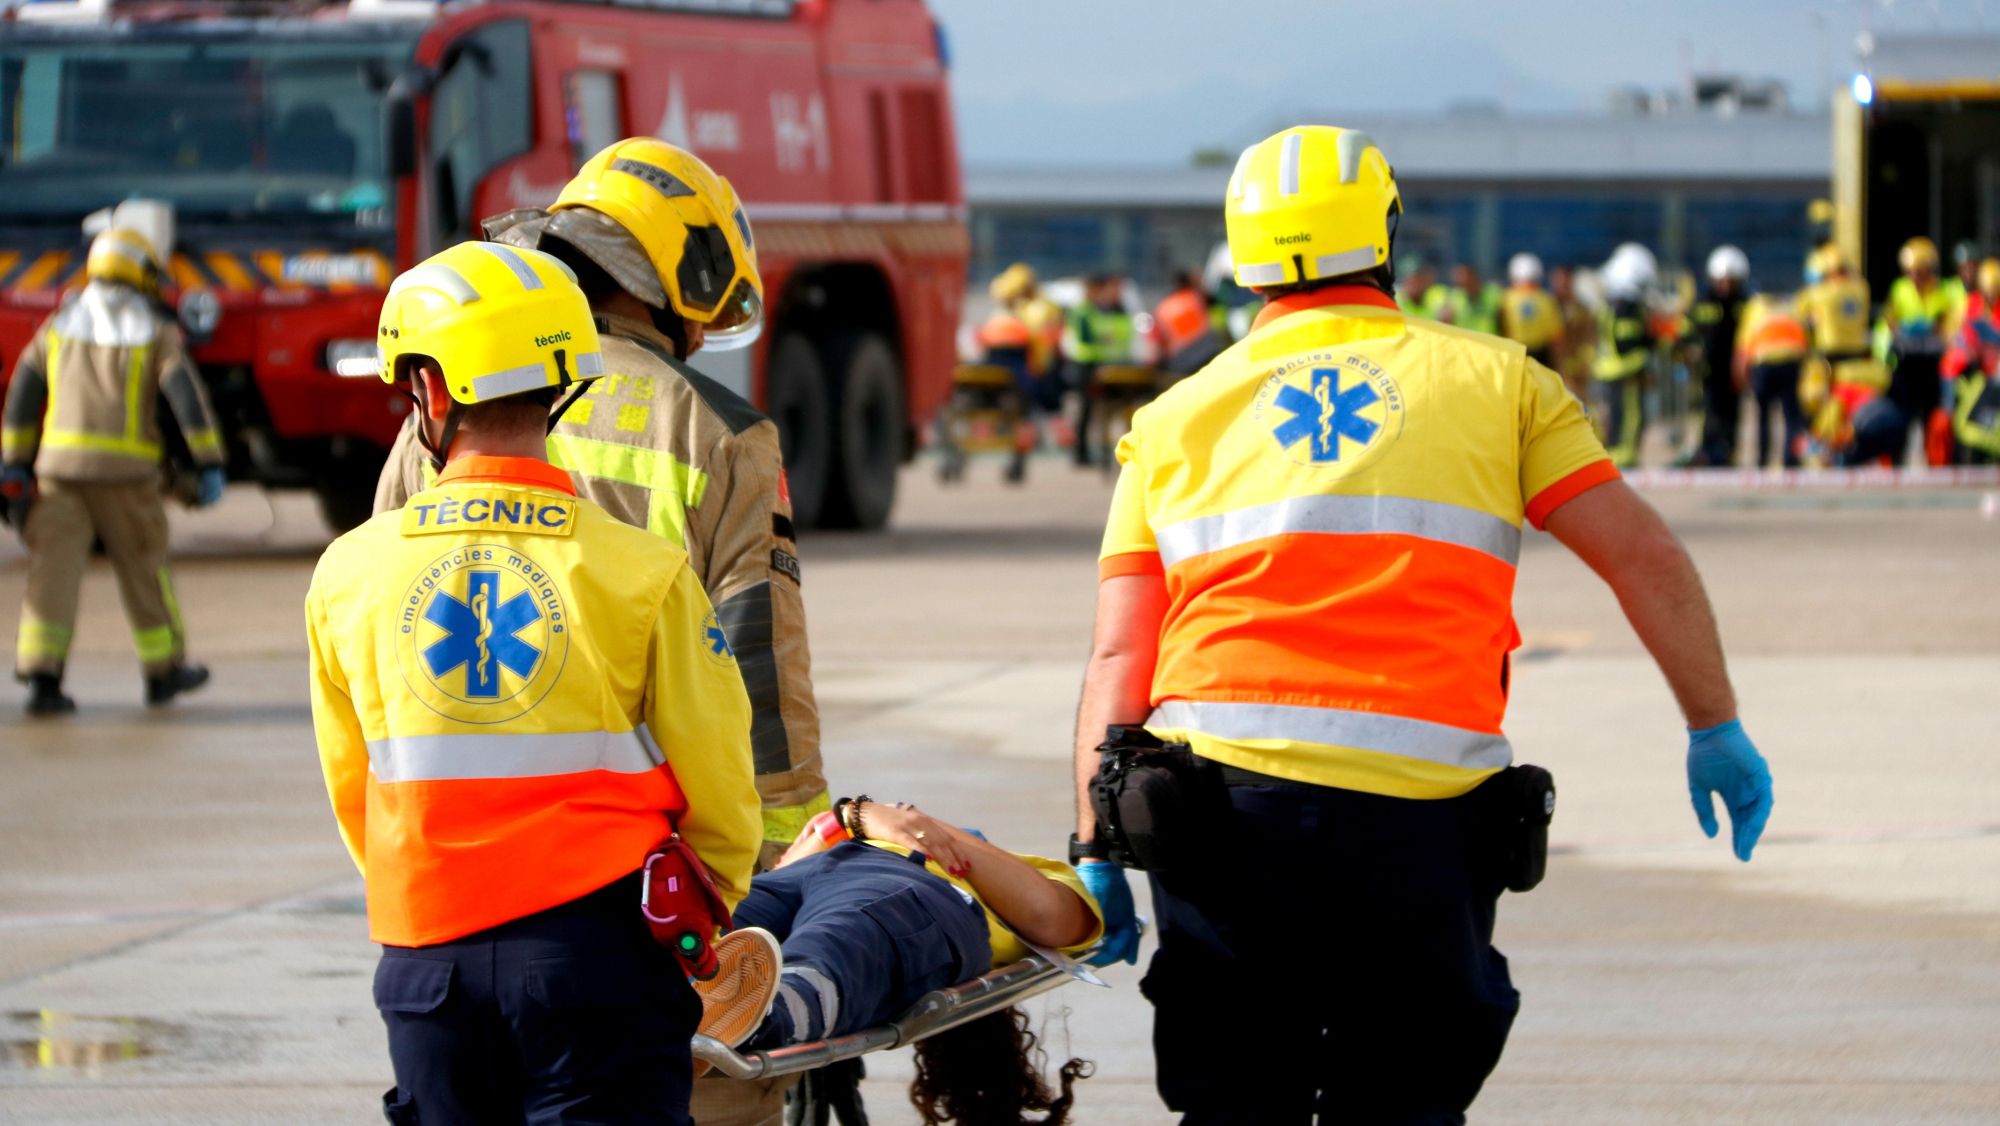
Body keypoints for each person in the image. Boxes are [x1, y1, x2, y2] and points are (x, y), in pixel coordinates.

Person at [1070, 125, 1774, 1124]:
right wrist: (1712, 724)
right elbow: (1643, 557)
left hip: (1221, 821)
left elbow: (1116, 651)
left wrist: (1094, 844)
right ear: (1386, 233)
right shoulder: (1501, 384)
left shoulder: (1173, 418)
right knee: (1400, 1101)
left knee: (1235, 1105)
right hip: (1417, 826)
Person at [307, 240, 763, 1125]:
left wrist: (432, 898)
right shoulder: (643, 571)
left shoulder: (347, 573)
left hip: (425, 960)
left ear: (432, 393)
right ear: (563, 384)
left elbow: (353, 785)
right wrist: (700, 917)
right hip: (600, 956)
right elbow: (722, 789)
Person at [373, 139, 828, 877]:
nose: (705, 333)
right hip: (637, 848)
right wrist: (789, 856)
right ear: (676, 273)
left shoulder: (445, 410)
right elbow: (760, 667)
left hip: (453, 848)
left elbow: (380, 621)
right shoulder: (718, 431)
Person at [700, 797, 1103, 1124]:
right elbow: (795, 862)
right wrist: (856, 817)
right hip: (811, 877)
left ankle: (764, 1014)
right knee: (702, 926)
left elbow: (1051, 920)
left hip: (905, 884)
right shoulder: (880, 837)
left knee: (842, 939)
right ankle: (680, 995)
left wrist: (881, 818)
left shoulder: (1028, 882)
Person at [3, 226, 226, 715]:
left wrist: (14, 463)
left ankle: (43, 678)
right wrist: (208, 462)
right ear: (140, 273)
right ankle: (164, 672)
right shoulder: (154, 332)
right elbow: (187, 399)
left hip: (59, 475)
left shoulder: (58, 327)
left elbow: (22, 395)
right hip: (128, 477)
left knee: (51, 575)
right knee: (145, 569)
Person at [1879, 236, 1957, 466]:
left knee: (1932, 419)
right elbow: (1888, 322)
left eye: (1921, 271)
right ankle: (1894, 464)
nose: (1916, 277)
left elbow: (1947, 326)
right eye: (1911, 271)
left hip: (1931, 364)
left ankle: (1936, 465)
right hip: (1906, 364)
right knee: (1899, 418)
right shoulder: (1899, 289)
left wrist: (1933, 331)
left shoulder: (1943, 291)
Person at [1593, 242, 1658, 467]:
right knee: (1630, 418)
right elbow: (1627, 343)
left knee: (1618, 418)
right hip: (1627, 374)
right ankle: (1625, 460)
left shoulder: (1614, 304)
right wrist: (1654, 342)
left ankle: (1621, 457)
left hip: (1615, 372)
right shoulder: (1626, 308)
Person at [1062, 273, 1136, 467]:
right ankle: (1081, 453)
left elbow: (1123, 334)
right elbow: (1087, 337)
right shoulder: (1083, 310)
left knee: (1114, 409)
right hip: (1086, 365)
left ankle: (1108, 451)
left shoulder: (1115, 310)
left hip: (1110, 364)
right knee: (1086, 410)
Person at [1689, 246, 1751, 466]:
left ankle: (1727, 454)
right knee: (1709, 412)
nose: (1726, 286)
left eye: (1731, 281)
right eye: (1722, 280)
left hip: (1733, 369)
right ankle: (1707, 451)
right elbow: (1688, 330)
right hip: (1709, 369)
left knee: (1732, 413)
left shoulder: (1744, 304)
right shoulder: (1703, 302)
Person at [1735, 291, 1810, 468]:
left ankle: (1762, 460)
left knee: (1763, 415)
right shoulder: (1794, 307)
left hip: (1764, 365)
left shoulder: (1755, 308)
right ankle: (1791, 460)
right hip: (1791, 364)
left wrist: (1740, 374)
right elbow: (1806, 339)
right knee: (1792, 416)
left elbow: (1744, 345)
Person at [1945, 259, 2000, 463]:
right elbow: (1955, 337)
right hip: (1971, 375)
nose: (1991, 297)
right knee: (1961, 423)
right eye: (1988, 291)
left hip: (1993, 378)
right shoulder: (1969, 305)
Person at [1153, 269, 1228, 378]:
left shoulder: (1163, 307)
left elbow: (1160, 340)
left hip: (1179, 360)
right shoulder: (1195, 298)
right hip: (1204, 351)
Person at [1499, 252, 1563, 369]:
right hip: (1540, 357)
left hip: (1515, 353)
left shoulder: (1506, 299)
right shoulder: (1545, 299)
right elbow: (1556, 337)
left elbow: (1502, 327)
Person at [1550, 264, 1597, 402]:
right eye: (1557, 281)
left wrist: (1585, 363)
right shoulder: (1547, 307)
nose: (1561, 285)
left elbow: (1590, 339)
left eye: (1564, 281)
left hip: (1575, 370)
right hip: (1552, 368)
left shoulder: (1582, 310)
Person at [1441, 262, 1503, 334]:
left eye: (1467, 281)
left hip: (1490, 342)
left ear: (1475, 277)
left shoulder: (1493, 295)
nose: (1464, 286)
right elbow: (1447, 324)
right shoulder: (1455, 299)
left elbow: (1504, 322)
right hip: (1467, 343)